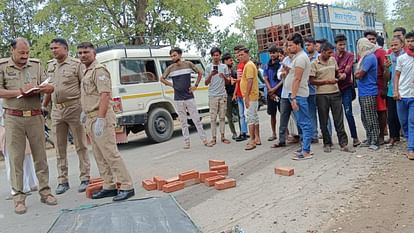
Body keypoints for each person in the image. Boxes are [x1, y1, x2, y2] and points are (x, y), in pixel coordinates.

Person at [0, 37, 57, 214]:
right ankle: (19, 198)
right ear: (12, 51)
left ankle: (45, 192)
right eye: (21, 53)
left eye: (27, 53)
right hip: (13, 118)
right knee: (16, 158)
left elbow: (49, 85)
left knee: (40, 156)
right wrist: (19, 92)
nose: (25, 56)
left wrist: (46, 89)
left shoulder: (36, 65)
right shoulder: (2, 66)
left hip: (34, 116)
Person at [77, 42, 134, 201]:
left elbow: (104, 95)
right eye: (80, 53)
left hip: (100, 117)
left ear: (94, 53)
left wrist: (101, 119)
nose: (82, 55)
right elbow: (90, 95)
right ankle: (109, 184)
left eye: (86, 52)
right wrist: (84, 111)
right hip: (90, 117)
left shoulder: (99, 70)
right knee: (99, 154)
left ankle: (126, 185)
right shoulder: (86, 71)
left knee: (110, 153)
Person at [42, 38, 91, 195]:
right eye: (51, 48)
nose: (53, 51)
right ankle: (63, 180)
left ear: (65, 48)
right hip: (57, 110)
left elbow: (84, 87)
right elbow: (49, 89)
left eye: (56, 48)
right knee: (59, 147)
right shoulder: (50, 66)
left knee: (80, 145)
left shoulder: (76, 65)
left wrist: (85, 108)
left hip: (74, 107)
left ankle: (85, 177)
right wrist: (44, 105)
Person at [160, 47, 211, 149]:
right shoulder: (170, 68)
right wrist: (172, 85)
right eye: (171, 56)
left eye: (174, 55)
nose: (173, 58)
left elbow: (200, 73)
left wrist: (195, 85)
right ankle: (187, 142)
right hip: (178, 98)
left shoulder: (188, 64)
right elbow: (161, 79)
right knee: (183, 121)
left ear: (180, 55)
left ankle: (204, 140)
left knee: (196, 118)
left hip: (189, 96)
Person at [310, 42, 354, 153]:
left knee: (338, 119)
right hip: (321, 95)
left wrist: (341, 76)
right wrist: (326, 81)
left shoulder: (332, 60)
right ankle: (327, 143)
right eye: (329, 53)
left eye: (331, 52)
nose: (331, 55)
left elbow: (336, 72)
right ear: (323, 52)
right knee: (324, 120)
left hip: (335, 93)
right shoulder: (314, 64)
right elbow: (311, 81)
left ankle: (343, 143)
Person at [0, 99, 38, 200]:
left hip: (9, 125)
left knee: (13, 159)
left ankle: (19, 188)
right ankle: (31, 183)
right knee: (25, 156)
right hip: (20, 122)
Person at [285, 33, 313, 160]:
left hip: (299, 95)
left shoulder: (301, 58)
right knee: (302, 123)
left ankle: (306, 151)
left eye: (291, 45)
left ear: (298, 45)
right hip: (297, 94)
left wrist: (294, 97)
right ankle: (304, 148)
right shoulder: (298, 57)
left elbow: (297, 78)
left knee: (305, 123)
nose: (289, 47)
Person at [334, 34, 361, 147]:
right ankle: (342, 138)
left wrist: (340, 74)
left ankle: (355, 137)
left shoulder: (350, 55)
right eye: (340, 44)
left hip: (346, 88)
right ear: (336, 45)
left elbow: (348, 70)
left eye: (344, 44)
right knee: (337, 115)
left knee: (348, 112)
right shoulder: (333, 57)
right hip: (335, 89)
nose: (342, 46)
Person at [355, 38, 380, 151]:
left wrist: (356, 73)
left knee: (371, 118)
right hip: (363, 91)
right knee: (365, 117)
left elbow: (360, 74)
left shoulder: (369, 57)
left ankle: (375, 140)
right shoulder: (365, 57)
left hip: (369, 91)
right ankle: (369, 138)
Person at [393, 31, 414, 160]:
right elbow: (397, 76)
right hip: (402, 96)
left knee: (412, 122)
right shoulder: (402, 58)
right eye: (409, 41)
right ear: (405, 42)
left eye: (413, 41)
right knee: (404, 122)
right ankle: (410, 142)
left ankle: (411, 148)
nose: (411, 44)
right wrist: (395, 91)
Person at [365, 30, 387, 145]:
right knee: (371, 112)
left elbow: (385, 71)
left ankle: (382, 135)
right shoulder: (364, 53)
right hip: (369, 86)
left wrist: (384, 87)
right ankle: (373, 135)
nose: (371, 41)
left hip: (379, 84)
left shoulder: (380, 52)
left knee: (381, 110)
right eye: (369, 39)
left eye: (373, 39)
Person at [205, 47, 231, 146]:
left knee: (222, 117)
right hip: (212, 95)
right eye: (214, 55)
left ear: (220, 56)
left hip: (222, 94)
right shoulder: (208, 67)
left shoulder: (224, 67)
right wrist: (211, 75)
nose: (216, 57)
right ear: (211, 56)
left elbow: (228, 82)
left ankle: (223, 136)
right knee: (212, 118)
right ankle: (213, 138)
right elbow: (206, 83)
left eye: (217, 55)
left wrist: (223, 76)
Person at [237, 47, 261, 150]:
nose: (240, 57)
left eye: (242, 54)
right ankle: (257, 138)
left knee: (250, 118)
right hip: (251, 96)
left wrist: (246, 97)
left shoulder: (249, 65)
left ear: (247, 54)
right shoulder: (247, 65)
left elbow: (250, 81)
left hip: (250, 96)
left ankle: (252, 140)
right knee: (254, 117)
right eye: (238, 55)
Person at [384, 36, 405, 147]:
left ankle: (406, 136)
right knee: (391, 115)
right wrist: (386, 68)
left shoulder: (406, 57)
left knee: (404, 116)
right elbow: (387, 77)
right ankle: (393, 136)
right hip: (392, 90)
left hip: (404, 90)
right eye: (391, 45)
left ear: (402, 45)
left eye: (396, 45)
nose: (393, 47)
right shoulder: (390, 57)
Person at [263, 46, 283, 142]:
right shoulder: (267, 65)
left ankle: (285, 133)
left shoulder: (281, 65)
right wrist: (270, 89)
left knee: (283, 113)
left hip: (280, 92)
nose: (272, 55)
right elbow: (265, 78)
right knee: (272, 114)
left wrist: (275, 89)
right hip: (271, 93)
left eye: (274, 52)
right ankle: (274, 133)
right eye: (270, 53)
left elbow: (283, 79)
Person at [304, 37, 320, 143]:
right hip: (309, 90)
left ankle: (327, 132)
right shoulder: (305, 57)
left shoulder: (319, 57)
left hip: (319, 89)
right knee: (311, 114)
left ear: (314, 45)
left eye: (309, 45)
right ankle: (314, 135)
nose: (307, 47)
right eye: (306, 45)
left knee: (323, 113)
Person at [222, 53, 240, 140]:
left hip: (235, 94)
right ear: (225, 61)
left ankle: (242, 132)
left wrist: (235, 94)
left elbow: (237, 83)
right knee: (229, 116)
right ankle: (234, 133)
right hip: (226, 96)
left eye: (232, 60)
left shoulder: (233, 72)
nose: (232, 62)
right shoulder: (221, 72)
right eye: (230, 60)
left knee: (240, 114)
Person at [233, 45, 248, 141]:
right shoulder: (238, 65)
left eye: (239, 53)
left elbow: (245, 80)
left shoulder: (246, 65)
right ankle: (243, 132)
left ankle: (244, 132)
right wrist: (235, 92)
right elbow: (239, 81)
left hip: (244, 93)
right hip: (239, 93)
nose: (237, 55)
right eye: (236, 54)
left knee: (246, 114)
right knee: (241, 114)